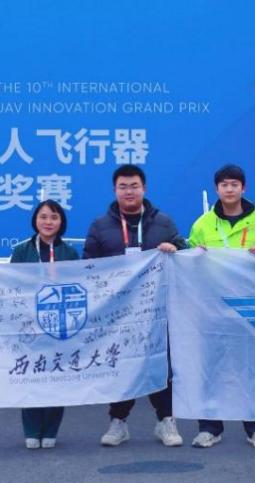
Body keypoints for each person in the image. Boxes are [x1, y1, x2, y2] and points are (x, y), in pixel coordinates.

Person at [83, 164, 187, 447]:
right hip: (118, 313)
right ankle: (118, 422)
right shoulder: (100, 226)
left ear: (144, 188)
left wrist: (175, 249)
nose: (129, 191)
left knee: (159, 364)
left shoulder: (163, 222)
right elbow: (88, 265)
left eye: (134, 186)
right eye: (123, 187)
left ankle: (166, 421)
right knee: (121, 364)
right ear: (114, 190)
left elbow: (183, 251)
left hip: (156, 309)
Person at [187, 164, 255, 449]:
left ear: (243, 188)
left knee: (251, 369)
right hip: (212, 308)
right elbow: (189, 264)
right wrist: (194, 255)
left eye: (234, 184)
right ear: (217, 189)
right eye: (224, 185)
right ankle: (209, 428)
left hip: (250, 309)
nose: (229, 189)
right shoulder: (203, 224)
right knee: (211, 370)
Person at [10, 199, 79, 449]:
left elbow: (78, 287)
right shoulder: (22, 250)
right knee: (31, 374)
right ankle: (31, 429)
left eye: (54, 217)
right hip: (29, 323)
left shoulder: (69, 253)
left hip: (60, 323)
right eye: (43, 217)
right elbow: (11, 285)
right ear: (35, 220)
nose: (48, 222)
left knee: (56, 375)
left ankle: (51, 429)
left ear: (61, 222)